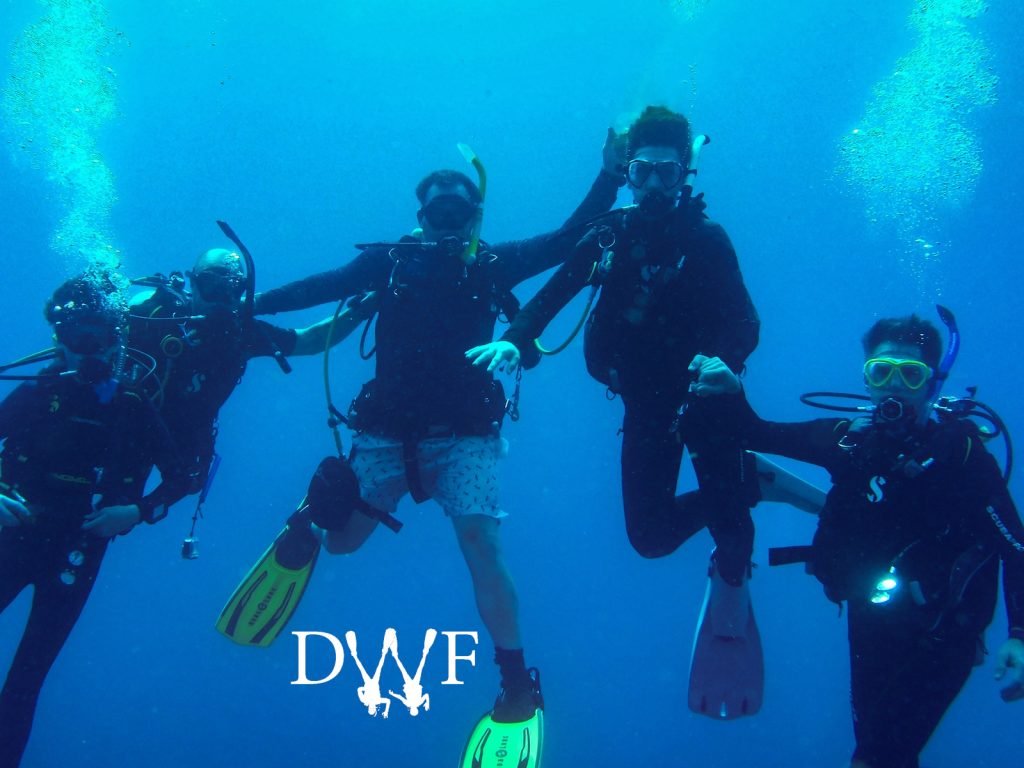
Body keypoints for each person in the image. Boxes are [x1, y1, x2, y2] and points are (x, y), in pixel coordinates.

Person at [238, 139, 623, 731]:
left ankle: (516, 680)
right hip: (387, 431)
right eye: (435, 213)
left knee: (482, 544)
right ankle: (312, 515)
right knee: (340, 545)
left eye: (457, 213)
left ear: (474, 217)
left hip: (466, 432)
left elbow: (568, 237)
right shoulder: (388, 263)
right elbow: (321, 286)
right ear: (420, 217)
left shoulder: (491, 263)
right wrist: (251, 303)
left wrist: (609, 173)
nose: (445, 222)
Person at [469, 106, 762, 716]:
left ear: (685, 174)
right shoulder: (608, 234)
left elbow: (744, 321)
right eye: (643, 172)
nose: (654, 186)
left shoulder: (706, 240)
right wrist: (513, 340)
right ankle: (753, 483)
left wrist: (727, 363)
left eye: (666, 173)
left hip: (705, 403)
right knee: (650, 539)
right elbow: (549, 298)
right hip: (646, 406)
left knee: (733, 539)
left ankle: (735, 544)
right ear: (628, 173)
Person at [699, 313, 1024, 767]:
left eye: (910, 374)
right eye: (881, 372)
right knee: (877, 750)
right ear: (866, 379)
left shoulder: (961, 454)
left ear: (932, 384)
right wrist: (733, 390)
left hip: (944, 630)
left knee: (875, 758)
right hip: (872, 614)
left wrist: (1019, 635)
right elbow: (757, 432)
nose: (894, 386)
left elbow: (1015, 544)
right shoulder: (849, 441)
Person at [0, 275, 189, 768]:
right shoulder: (35, 395)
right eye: (78, 339)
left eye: (100, 340)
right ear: (58, 341)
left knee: (27, 678)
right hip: (15, 537)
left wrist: (137, 511)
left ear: (116, 342)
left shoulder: (130, 404)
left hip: (77, 551)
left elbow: (180, 476)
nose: (90, 353)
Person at [126, 247, 364, 508]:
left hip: (178, 441)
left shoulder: (242, 336)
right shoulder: (155, 317)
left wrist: (363, 309)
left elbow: (311, 340)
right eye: (211, 286)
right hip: (122, 429)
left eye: (231, 289)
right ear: (192, 284)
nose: (220, 299)